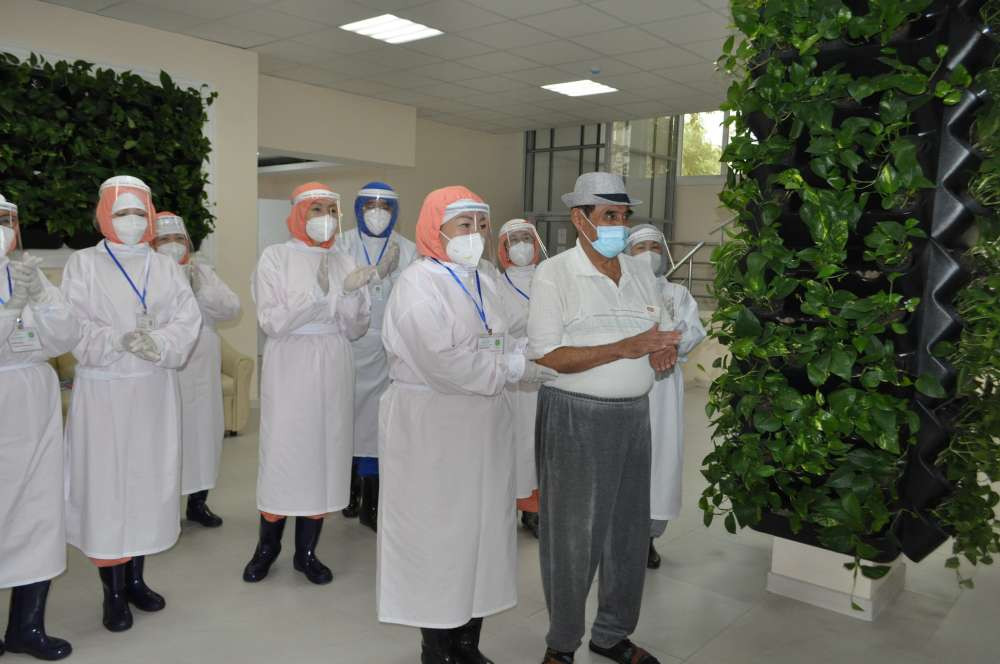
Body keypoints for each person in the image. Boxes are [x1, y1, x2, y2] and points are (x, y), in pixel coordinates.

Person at [377, 186, 557, 664]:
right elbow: (443, 362)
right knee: (441, 534)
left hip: (484, 424)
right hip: (434, 425)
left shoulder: (484, 279)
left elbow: (500, 337)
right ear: (435, 229)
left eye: (481, 224)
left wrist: (531, 356)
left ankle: (466, 642)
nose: (475, 234)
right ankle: (436, 646)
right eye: (464, 225)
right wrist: (512, 367)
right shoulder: (418, 284)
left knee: (483, 529)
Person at [528, 173, 681, 664]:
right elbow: (547, 356)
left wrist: (661, 353)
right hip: (575, 417)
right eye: (609, 215)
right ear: (580, 219)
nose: (620, 225)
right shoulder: (554, 274)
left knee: (628, 534)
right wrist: (624, 348)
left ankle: (612, 634)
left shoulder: (638, 272)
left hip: (634, 417)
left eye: (624, 215)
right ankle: (562, 643)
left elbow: (656, 335)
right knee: (572, 538)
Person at [61, 175, 202, 633]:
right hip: (103, 391)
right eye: (122, 212)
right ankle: (113, 592)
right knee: (108, 489)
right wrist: (118, 339)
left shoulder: (165, 267)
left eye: (140, 212)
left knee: (145, 483)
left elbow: (187, 319)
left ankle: (137, 579)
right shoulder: (83, 264)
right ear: (104, 215)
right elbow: (73, 324)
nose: (132, 221)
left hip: (153, 388)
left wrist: (158, 343)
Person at [244, 182, 381, 586]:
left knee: (325, 453)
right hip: (291, 363)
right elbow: (273, 321)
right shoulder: (276, 257)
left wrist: (352, 296)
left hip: (334, 361)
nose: (325, 218)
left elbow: (356, 328)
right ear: (298, 214)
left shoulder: (344, 259)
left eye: (331, 211)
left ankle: (306, 552)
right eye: (316, 209)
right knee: (285, 453)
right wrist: (318, 299)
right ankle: (267, 547)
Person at [0, 194, 79, 661]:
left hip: (35, 398)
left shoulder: (26, 273)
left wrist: (42, 299)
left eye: (6, 220)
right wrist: (11, 311)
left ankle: (27, 627)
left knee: (39, 510)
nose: (2, 229)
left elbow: (65, 335)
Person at [152, 212, 241, 528]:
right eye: (164, 239)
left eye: (179, 239)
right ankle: (161, 508)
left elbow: (232, 308)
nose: (173, 245)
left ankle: (198, 503)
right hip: (164, 367)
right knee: (166, 436)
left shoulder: (202, 271)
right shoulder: (145, 274)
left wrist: (200, 288)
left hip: (202, 367)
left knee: (203, 434)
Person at [626, 225, 706, 569]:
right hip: (626, 385)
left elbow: (693, 329)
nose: (648, 253)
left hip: (664, 388)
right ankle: (620, 537)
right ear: (627, 254)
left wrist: (670, 346)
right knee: (625, 461)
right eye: (640, 247)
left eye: (654, 246)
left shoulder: (678, 294)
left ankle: (648, 537)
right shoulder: (619, 292)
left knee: (661, 460)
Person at [336, 182, 413, 532]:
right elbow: (337, 290)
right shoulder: (341, 245)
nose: (377, 212)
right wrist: (374, 274)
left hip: (387, 350)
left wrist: (391, 276)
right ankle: (348, 489)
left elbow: (413, 297)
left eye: (385, 206)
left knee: (376, 425)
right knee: (347, 419)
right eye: (371, 205)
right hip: (349, 346)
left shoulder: (406, 249)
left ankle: (372, 499)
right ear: (358, 208)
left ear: (395, 212)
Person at [496, 218, 548, 539]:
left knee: (541, 442)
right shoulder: (496, 285)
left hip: (547, 374)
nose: (521, 246)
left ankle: (538, 508)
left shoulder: (549, 278)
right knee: (517, 443)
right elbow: (492, 331)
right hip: (514, 377)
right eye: (513, 240)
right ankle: (514, 504)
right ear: (503, 249)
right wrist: (517, 347)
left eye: (526, 238)